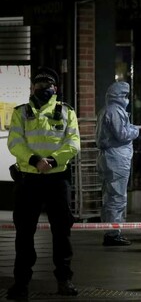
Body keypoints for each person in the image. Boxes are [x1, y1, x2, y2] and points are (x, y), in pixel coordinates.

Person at [6, 66, 81, 299]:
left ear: (55, 88)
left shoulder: (67, 112)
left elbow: (74, 143)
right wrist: (34, 160)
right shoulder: (21, 112)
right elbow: (14, 142)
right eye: (39, 85)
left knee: (62, 233)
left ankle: (64, 280)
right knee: (24, 234)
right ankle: (21, 283)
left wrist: (53, 160)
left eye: (48, 85)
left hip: (57, 180)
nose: (43, 89)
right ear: (33, 88)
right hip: (29, 179)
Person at [95, 81, 139, 246]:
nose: (127, 99)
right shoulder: (115, 111)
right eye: (125, 95)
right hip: (116, 158)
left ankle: (110, 230)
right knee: (117, 196)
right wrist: (135, 130)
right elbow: (122, 134)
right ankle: (113, 233)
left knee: (109, 195)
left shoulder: (105, 110)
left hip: (108, 157)